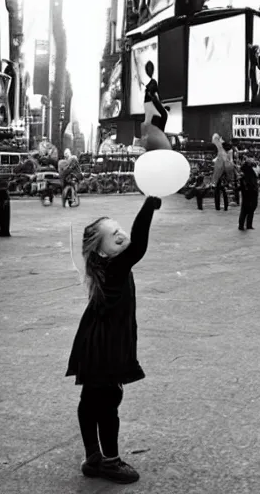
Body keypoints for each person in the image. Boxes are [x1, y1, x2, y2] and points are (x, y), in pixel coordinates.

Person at [66, 196, 162, 484]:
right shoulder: (115, 268)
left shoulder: (104, 268)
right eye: (112, 235)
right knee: (108, 401)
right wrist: (148, 207)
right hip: (105, 348)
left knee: (90, 400)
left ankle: (93, 456)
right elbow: (140, 246)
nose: (120, 235)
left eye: (119, 229)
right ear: (101, 251)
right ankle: (109, 461)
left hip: (93, 346)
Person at [211, 134, 236, 211]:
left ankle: (218, 206)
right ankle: (225, 207)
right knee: (224, 190)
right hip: (226, 170)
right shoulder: (227, 148)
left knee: (218, 190)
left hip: (221, 170)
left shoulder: (221, 147)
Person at [238, 159, 259, 231]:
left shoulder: (247, 173)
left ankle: (247, 225)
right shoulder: (247, 174)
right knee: (246, 209)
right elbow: (248, 184)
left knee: (249, 209)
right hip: (249, 193)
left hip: (249, 193)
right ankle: (244, 225)